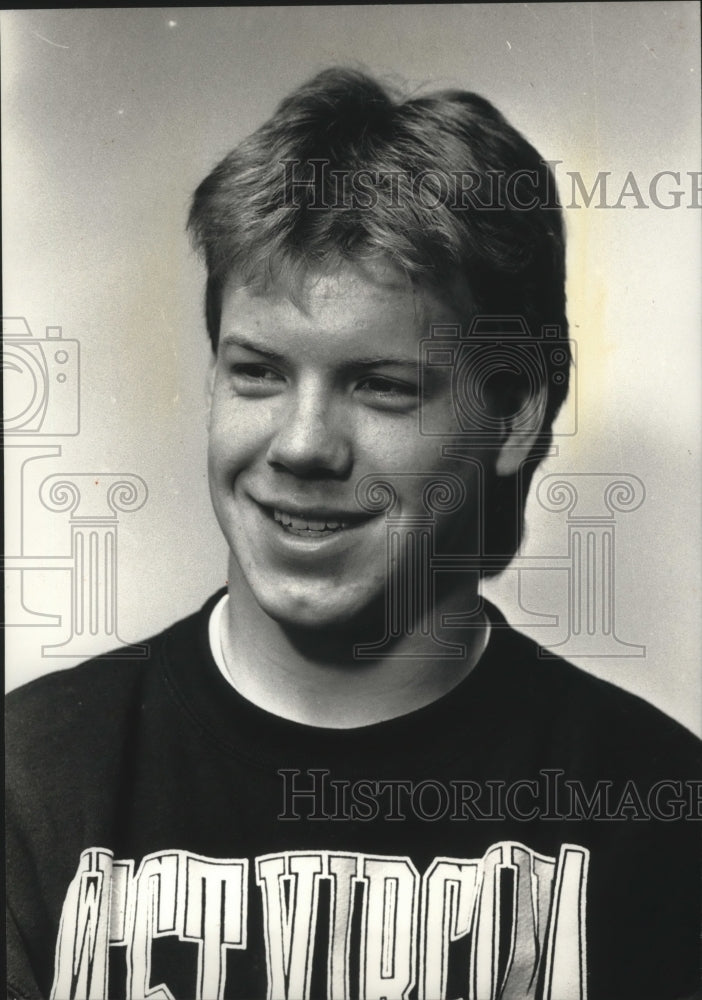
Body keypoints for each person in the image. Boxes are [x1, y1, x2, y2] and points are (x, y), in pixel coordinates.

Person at [6, 67, 700, 1000]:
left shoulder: (656, 816)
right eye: (258, 372)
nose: (302, 445)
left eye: (381, 386)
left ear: (516, 414)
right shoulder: (30, 779)